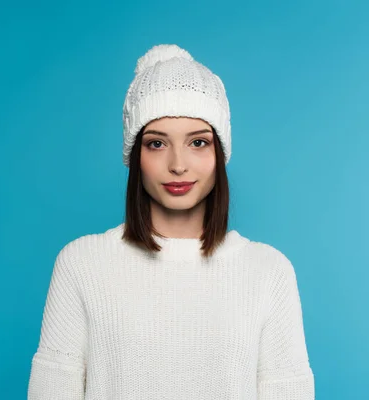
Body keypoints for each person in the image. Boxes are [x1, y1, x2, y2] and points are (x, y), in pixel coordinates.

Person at [27, 44, 315, 399]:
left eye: (197, 142)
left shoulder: (269, 271)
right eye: (157, 144)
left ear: (219, 154)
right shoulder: (81, 264)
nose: (178, 164)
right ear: (134, 157)